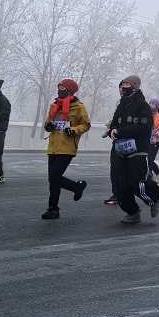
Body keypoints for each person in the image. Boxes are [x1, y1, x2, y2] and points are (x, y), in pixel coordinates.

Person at [107, 75, 159, 223]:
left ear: (134, 86)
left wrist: (121, 132)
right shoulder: (121, 106)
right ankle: (132, 212)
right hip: (120, 151)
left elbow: (143, 127)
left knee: (135, 181)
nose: (122, 87)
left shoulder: (142, 105)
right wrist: (113, 130)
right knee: (120, 184)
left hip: (138, 150)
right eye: (121, 85)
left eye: (126, 84)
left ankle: (154, 197)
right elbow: (114, 123)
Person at [41, 78, 91, 219]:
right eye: (59, 87)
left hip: (67, 147)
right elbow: (47, 123)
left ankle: (56, 205)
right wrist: (48, 126)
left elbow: (86, 124)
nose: (59, 90)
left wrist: (73, 130)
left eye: (63, 88)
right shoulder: (54, 106)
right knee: (53, 179)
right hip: (53, 147)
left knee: (54, 176)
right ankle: (54, 207)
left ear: (70, 90)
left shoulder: (78, 107)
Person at [148, 98, 159, 178]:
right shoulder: (146, 114)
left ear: (156, 106)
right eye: (150, 103)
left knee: (150, 159)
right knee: (147, 159)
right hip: (146, 140)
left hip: (155, 141)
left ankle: (150, 174)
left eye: (153, 104)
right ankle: (158, 173)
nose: (151, 105)